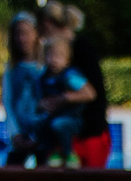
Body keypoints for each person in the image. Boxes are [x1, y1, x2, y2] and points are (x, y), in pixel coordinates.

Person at [39, 1, 112, 170]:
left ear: (47, 24)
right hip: (70, 135)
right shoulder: (67, 52)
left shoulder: (80, 49)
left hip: (89, 135)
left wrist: (59, 100)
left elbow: (92, 93)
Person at [26, 31, 96, 167]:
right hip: (51, 116)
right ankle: (53, 150)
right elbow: (38, 100)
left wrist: (63, 98)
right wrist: (42, 105)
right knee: (37, 122)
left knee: (59, 124)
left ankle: (69, 153)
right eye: (50, 55)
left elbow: (90, 94)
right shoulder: (43, 76)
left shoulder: (70, 77)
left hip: (71, 118)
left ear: (67, 60)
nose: (54, 59)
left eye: (59, 56)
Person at [0, 13, 47, 168]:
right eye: (18, 34)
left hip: (42, 137)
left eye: (25, 33)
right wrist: (15, 134)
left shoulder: (45, 66)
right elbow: (7, 101)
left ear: (35, 34)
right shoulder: (11, 68)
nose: (22, 38)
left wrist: (38, 135)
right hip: (18, 137)